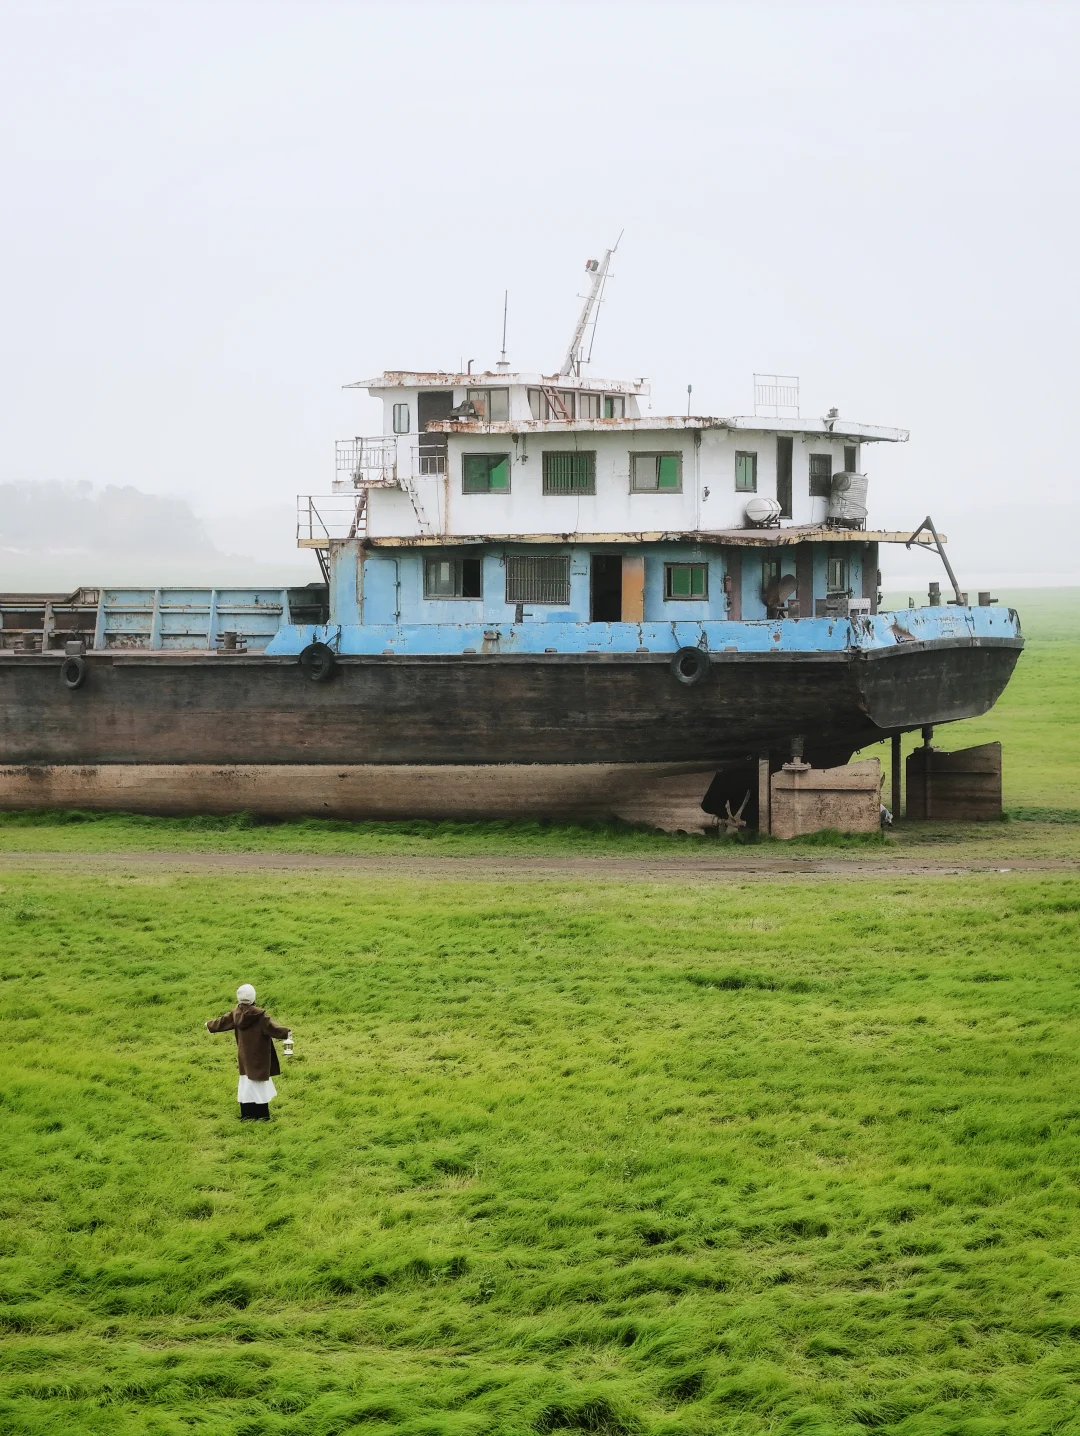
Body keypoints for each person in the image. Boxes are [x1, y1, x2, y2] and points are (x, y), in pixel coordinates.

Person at [206, 983, 292, 1121]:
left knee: (246, 1083)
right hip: (259, 1056)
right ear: (253, 997)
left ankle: (246, 1115)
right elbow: (273, 1028)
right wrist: (287, 1032)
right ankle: (262, 1115)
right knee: (259, 1084)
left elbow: (222, 1022)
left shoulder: (236, 1012)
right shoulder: (260, 1016)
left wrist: (209, 1025)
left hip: (244, 1056)